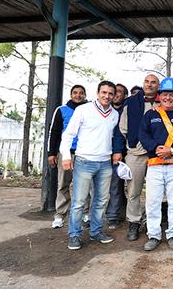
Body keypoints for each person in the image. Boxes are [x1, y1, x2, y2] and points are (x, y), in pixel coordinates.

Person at [60, 81, 119, 250]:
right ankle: (74, 235)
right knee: (79, 201)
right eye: (104, 92)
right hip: (84, 161)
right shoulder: (83, 110)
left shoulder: (114, 114)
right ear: (98, 93)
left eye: (110, 93)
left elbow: (114, 137)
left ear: (114, 96)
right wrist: (66, 156)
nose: (107, 96)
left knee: (101, 200)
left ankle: (96, 232)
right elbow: (68, 134)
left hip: (105, 162)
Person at [138, 77, 173, 251]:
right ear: (159, 96)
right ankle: (153, 235)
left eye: (172, 95)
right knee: (152, 201)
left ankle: (172, 235)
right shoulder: (150, 114)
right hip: (154, 164)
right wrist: (156, 147)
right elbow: (143, 135)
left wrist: (172, 150)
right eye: (165, 94)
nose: (168, 98)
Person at [113, 74, 160, 241]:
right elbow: (121, 128)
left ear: (158, 85)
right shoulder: (131, 102)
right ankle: (134, 221)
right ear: (143, 84)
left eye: (153, 82)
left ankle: (150, 220)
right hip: (135, 152)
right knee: (133, 190)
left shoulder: (164, 101)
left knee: (155, 192)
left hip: (157, 154)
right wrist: (119, 150)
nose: (149, 84)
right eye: (147, 82)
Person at [48, 84, 88, 228]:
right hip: (66, 153)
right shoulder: (61, 110)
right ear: (71, 94)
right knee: (63, 184)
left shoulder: (88, 109)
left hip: (84, 153)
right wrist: (51, 153)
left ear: (85, 95)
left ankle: (85, 213)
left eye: (81, 93)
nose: (78, 95)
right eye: (75, 93)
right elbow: (54, 132)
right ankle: (60, 214)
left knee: (85, 185)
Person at [106, 83, 129, 229]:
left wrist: (119, 151)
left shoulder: (127, 110)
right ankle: (112, 214)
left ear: (124, 96)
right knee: (111, 185)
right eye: (115, 92)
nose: (116, 94)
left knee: (119, 185)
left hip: (125, 152)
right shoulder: (105, 110)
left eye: (120, 92)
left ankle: (115, 215)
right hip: (104, 152)